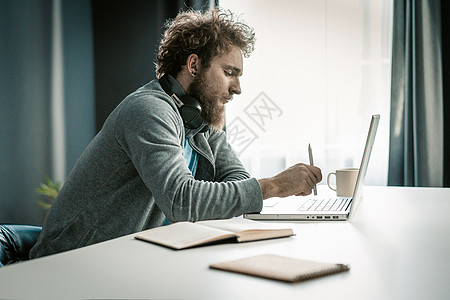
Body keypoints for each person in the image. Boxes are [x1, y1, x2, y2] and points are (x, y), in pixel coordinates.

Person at [30, 8, 321, 258]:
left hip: (128, 259)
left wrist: (249, 191)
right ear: (194, 65)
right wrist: (275, 186)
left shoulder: (201, 116)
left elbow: (238, 180)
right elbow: (182, 201)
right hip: (71, 262)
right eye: (229, 72)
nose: (237, 88)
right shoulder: (148, 110)